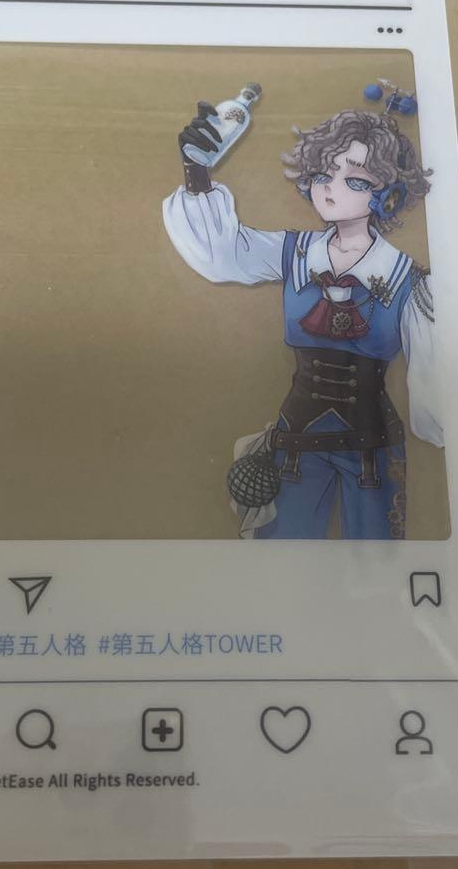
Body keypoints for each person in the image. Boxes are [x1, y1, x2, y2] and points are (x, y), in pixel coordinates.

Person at [163, 87, 442, 539]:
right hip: (295, 443)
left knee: (378, 564)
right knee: (282, 558)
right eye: (323, 173)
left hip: (372, 450)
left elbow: (437, 388)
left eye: (355, 180)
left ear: (389, 195)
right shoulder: (292, 251)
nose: (330, 187)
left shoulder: (408, 279)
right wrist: (197, 169)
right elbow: (222, 255)